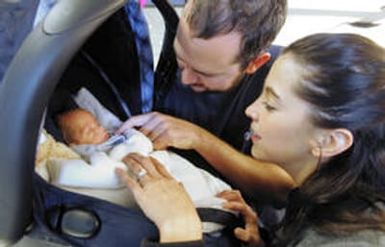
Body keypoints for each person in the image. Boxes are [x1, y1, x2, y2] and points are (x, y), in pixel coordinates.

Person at [117, 33, 385, 246]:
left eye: (271, 104)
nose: (251, 110)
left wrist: (180, 227)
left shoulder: (354, 240)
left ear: (331, 142)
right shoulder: (327, 197)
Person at [118, 0, 295, 205]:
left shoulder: (289, 86)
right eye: (181, 60)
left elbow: (285, 189)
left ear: (254, 63)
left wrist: (199, 139)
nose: (185, 79)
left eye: (204, 74)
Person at [41, 108, 235, 233]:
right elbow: (104, 170)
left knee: (196, 181)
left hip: (157, 162)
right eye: (88, 131)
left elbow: (141, 142)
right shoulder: (88, 151)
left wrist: (137, 139)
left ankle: (215, 200)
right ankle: (211, 210)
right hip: (131, 169)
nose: (98, 129)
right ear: (74, 143)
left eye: (97, 124)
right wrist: (61, 167)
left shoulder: (118, 135)